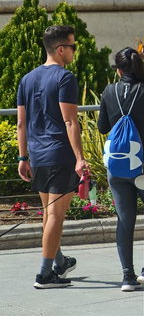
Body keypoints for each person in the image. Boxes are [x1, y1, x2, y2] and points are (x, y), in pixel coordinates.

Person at [16, 25, 88, 289]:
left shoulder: (27, 79)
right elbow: (70, 122)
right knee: (56, 216)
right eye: (73, 46)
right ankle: (45, 274)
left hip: (37, 155)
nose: (74, 51)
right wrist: (80, 158)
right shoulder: (65, 77)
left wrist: (23, 157)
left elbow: (21, 123)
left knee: (49, 214)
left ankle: (59, 262)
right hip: (59, 154)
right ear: (60, 49)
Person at [98, 47, 144, 292]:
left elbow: (102, 127)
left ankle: (127, 276)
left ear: (118, 70)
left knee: (125, 219)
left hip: (117, 167)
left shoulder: (109, 91)